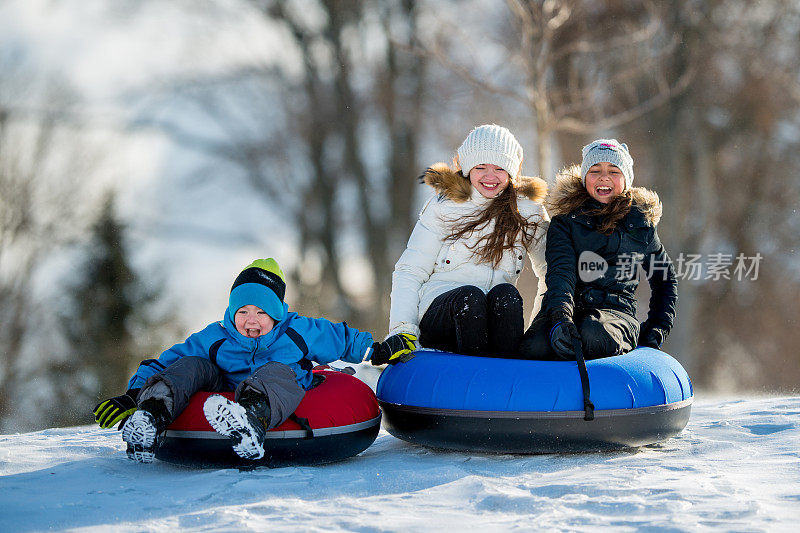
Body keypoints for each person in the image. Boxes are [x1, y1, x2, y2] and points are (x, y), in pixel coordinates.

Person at [93, 258, 403, 463]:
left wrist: (378, 350)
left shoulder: (295, 332)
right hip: (225, 389)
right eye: (243, 311)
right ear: (232, 313)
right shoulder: (217, 336)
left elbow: (339, 337)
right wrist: (134, 394)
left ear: (277, 313)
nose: (250, 320)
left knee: (277, 370)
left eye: (261, 312)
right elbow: (165, 362)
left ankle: (249, 423)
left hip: (277, 389)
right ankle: (151, 417)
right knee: (192, 365)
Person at [386, 124, 549, 359]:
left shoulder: (527, 212)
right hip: (442, 313)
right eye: (480, 167)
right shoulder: (446, 206)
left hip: (493, 319)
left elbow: (551, 272)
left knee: (507, 295)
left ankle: (507, 376)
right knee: (470, 298)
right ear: (466, 168)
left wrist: (538, 330)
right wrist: (402, 330)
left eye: (499, 168)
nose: (490, 176)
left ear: (512, 171)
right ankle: (470, 383)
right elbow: (410, 270)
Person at [519, 139, 678, 361]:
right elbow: (561, 273)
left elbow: (665, 279)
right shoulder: (565, 222)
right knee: (534, 347)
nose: (604, 177)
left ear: (626, 179)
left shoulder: (641, 226)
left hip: (616, 314)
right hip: (565, 309)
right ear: (585, 179)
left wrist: (656, 329)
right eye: (595, 170)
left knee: (592, 332)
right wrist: (560, 318)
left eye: (613, 171)